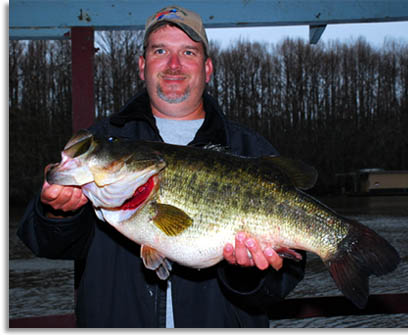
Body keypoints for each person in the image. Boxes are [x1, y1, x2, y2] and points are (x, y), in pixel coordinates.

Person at [18, 6, 306, 328]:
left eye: (188, 52)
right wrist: (58, 214)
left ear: (207, 68)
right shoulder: (104, 144)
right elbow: (43, 243)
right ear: (142, 66)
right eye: (160, 51)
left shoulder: (249, 150)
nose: (173, 65)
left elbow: (283, 282)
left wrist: (245, 273)